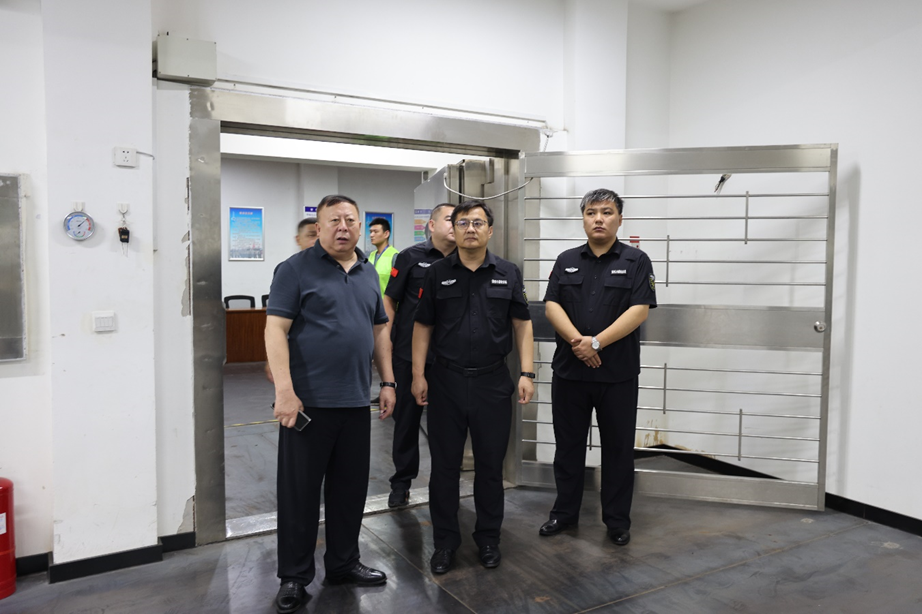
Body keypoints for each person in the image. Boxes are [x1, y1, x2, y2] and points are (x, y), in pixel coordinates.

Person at [265, 194, 397, 614]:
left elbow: (379, 330)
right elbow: (275, 330)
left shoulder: (366, 271)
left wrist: (388, 381)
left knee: (349, 490)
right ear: (318, 227)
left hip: (355, 402)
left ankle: (342, 563)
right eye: (334, 220)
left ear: (360, 226)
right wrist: (284, 391)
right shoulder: (294, 269)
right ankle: (294, 575)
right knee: (300, 494)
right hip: (308, 404)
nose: (343, 227)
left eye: (350, 220)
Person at [411, 200, 535, 575]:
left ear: (489, 231)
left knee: (490, 468)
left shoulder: (508, 272)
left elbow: (522, 324)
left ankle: (488, 539)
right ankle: (445, 543)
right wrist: (418, 375)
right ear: (453, 229)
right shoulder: (437, 273)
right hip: (445, 382)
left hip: (493, 383)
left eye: (477, 223)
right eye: (462, 222)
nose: (470, 229)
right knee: (444, 469)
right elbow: (423, 326)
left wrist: (526, 372)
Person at [538, 188, 657, 547]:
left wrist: (596, 343)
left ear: (620, 219)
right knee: (568, 447)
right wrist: (580, 342)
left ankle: (617, 520)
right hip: (570, 372)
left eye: (606, 212)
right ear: (583, 219)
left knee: (618, 450)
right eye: (591, 213)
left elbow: (639, 310)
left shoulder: (637, 261)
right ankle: (564, 513)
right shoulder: (566, 259)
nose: (599, 219)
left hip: (617, 374)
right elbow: (551, 305)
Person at [382, 203, 456, 509]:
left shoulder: (467, 258)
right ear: (432, 225)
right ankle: (401, 482)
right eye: (450, 219)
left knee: (446, 427)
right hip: (407, 354)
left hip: (449, 358)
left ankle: (445, 484)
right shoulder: (410, 257)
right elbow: (390, 299)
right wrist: (386, 340)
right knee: (406, 422)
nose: (456, 225)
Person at [266, 217, 319, 384]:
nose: (316, 240)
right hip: (299, 356)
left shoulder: (334, 271)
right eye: (311, 235)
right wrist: (272, 360)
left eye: (320, 235)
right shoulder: (288, 270)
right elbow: (276, 323)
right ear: (298, 239)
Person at [368, 217, 399, 296]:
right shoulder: (371, 256)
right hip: (371, 301)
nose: (371, 235)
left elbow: (398, 286)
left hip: (386, 302)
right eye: (370, 232)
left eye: (375, 232)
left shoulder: (395, 256)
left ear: (386, 234)